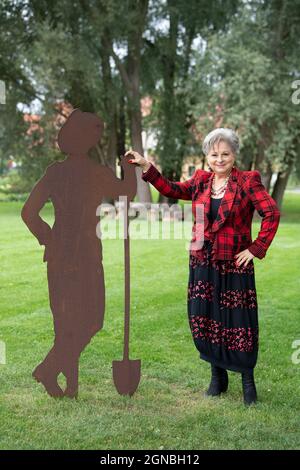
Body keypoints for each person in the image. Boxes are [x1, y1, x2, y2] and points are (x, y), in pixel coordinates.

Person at [125, 128, 280, 405]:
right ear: (206, 156)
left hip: (234, 265)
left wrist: (256, 248)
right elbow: (171, 188)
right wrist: (146, 166)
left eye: (225, 154)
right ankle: (217, 378)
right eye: (214, 154)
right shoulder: (200, 181)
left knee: (238, 323)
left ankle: (247, 381)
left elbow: (271, 213)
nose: (219, 159)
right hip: (202, 262)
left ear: (234, 155)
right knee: (205, 318)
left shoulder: (248, 181)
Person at [21, 109, 136, 398]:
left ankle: (69, 385)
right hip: (85, 254)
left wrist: (49, 238)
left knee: (65, 322)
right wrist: (129, 168)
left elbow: (28, 213)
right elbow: (126, 194)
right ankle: (50, 370)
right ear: (86, 138)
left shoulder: (55, 172)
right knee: (91, 319)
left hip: (59, 256)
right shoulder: (97, 172)